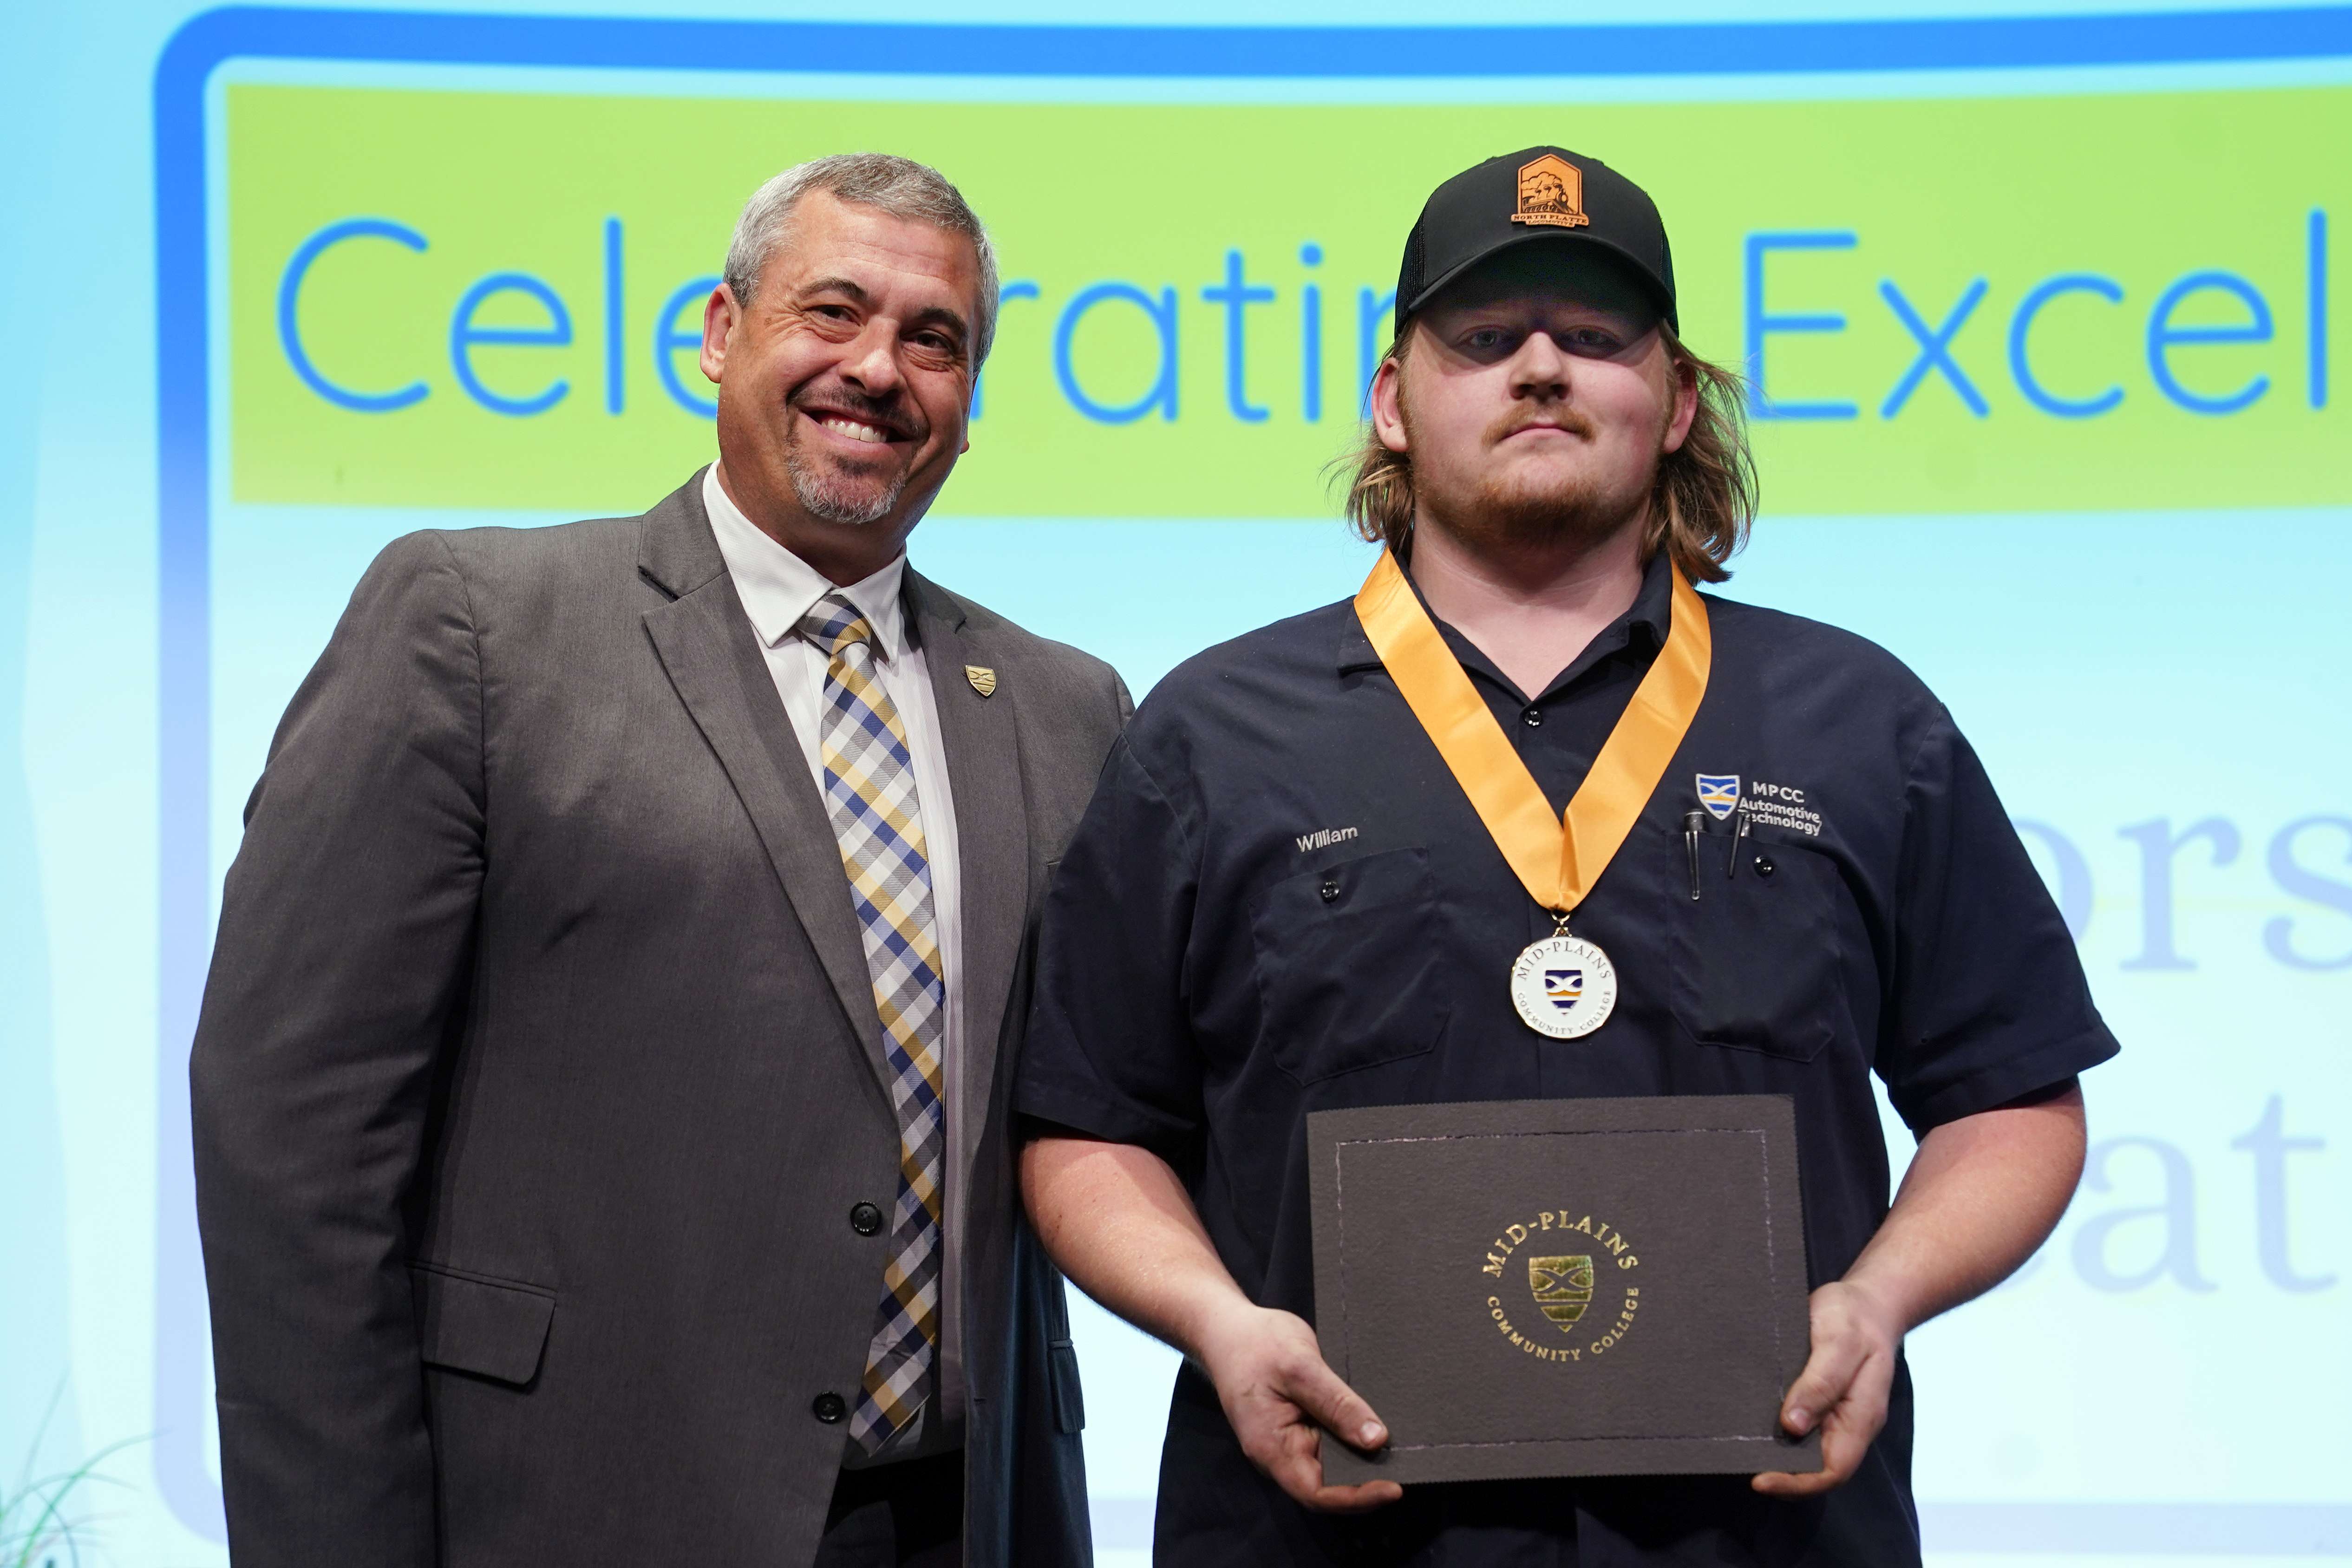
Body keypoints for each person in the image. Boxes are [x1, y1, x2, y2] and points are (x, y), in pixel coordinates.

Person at [1015, 147, 2115, 1565]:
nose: (1541, 368)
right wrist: (1218, 1322)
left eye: (1596, 337)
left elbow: (2014, 1098)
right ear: (1392, 401)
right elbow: (1090, 1126)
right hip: (1328, 1537)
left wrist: (1883, 1297)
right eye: (1485, 339)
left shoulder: (1861, 720)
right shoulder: (1212, 736)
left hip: (1762, 1537)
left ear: (1677, 403)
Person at [191, 153, 1124, 1568]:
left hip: (966, 1520)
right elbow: (293, 1129)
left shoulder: (1067, 708)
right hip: (572, 1513)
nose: (879, 369)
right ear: (720, 331)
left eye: (934, 341)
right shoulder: (478, 628)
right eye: (833, 311)